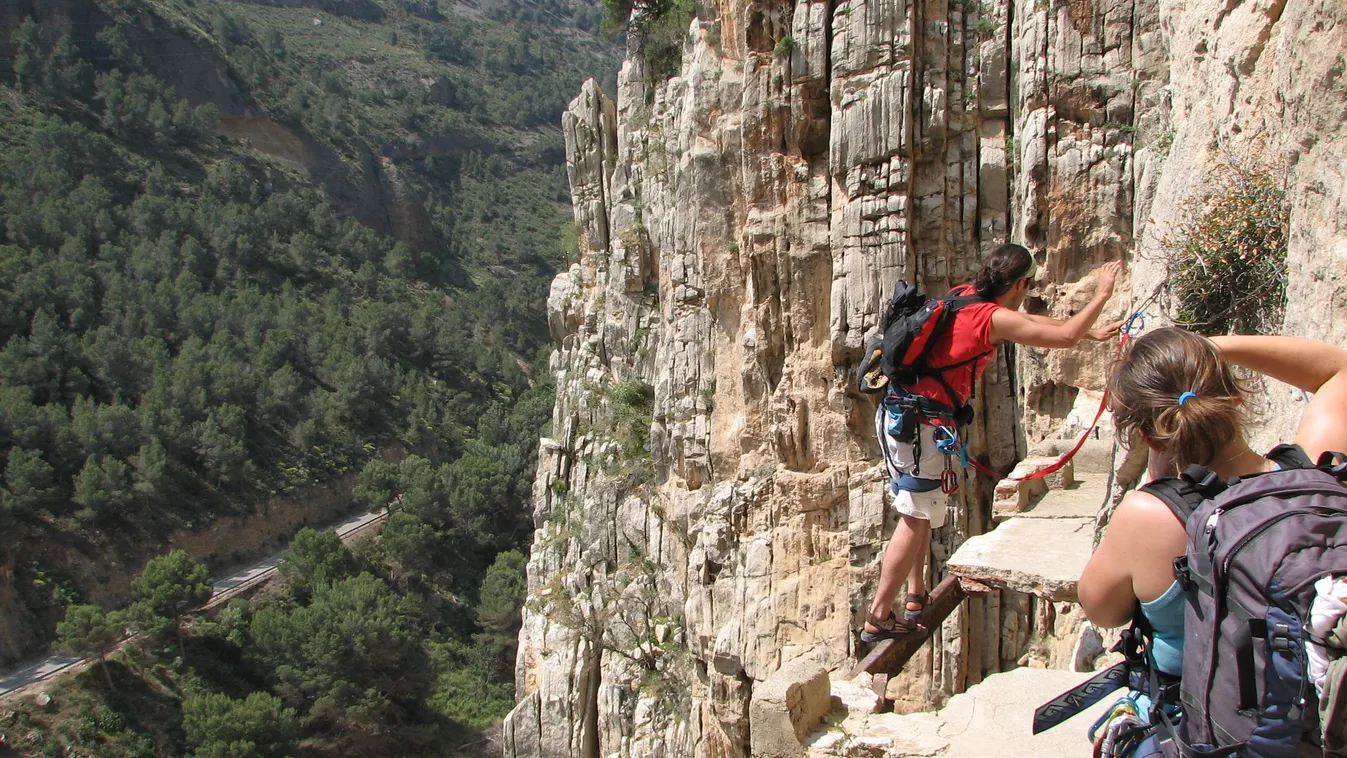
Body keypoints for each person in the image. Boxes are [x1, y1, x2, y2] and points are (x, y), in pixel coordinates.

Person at [862, 244, 1124, 642]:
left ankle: (915, 594)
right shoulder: (992, 318)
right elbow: (1062, 337)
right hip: (922, 428)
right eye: (1027, 286)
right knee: (915, 518)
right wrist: (1102, 293)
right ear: (1019, 283)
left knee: (911, 507)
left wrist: (1088, 329)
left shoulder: (964, 295)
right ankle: (879, 615)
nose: (1026, 294)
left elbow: (1034, 324)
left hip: (898, 415)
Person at [1079, 329, 1347, 673]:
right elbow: (1338, 370)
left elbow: (1102, 611)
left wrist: (1158, 487)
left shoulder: (1145, 518)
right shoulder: (1318, 472)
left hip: (1203, 723)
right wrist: (1207, 347)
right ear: (1235, 398)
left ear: (1151, 439)